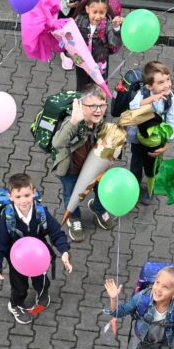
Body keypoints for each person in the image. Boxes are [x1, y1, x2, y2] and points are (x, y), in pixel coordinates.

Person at [0, 173, 73, 325]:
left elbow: (56, 233)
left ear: (33, 192)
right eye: (18, 196)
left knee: (42, 279)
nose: (23, 200)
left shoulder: (40, 212)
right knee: (19, 286)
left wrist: (64, 251)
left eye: (27, 195)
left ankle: (42, 292)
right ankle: (16, 304)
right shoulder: (8, 218)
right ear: (10, 197)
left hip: (39, 256)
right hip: (17, 260)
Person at [48, 85, 116, 242]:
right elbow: (57, 143)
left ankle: (98, 208)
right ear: (81, 106)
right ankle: (74, 218)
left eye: (102, 105)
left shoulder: (100, 121)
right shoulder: (73, 122)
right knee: (71, 194)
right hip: (71, 170)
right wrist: (73, 121)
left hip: (94, 167)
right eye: (92, 106)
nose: (98, 110)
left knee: (101, 188)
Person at [127, 61, 174, 204]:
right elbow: (133, 106)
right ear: (149, 86)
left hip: (156, 140)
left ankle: (151, 190)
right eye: (161, 82)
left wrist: (167, 141)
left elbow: (172, 119)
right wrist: (151, 99)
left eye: (168, 79)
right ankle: (134, 188)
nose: (167, 85)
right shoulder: (144, 93)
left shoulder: (169, 97)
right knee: (136, 165)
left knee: (153, 167)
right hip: (138, 139)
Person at [72, 0, 123, 91]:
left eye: (101, 12)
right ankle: (82, 100)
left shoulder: (108, 24)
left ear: (106, 11)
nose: (98, 16)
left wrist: (116, 29)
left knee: (98, 89)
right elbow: (70, 38)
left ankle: (98, 100)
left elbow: (114, 45)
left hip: (99, 63)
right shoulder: (79, 20)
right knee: (81, 87)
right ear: (87, 9)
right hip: (82, 62)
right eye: (94, 12)